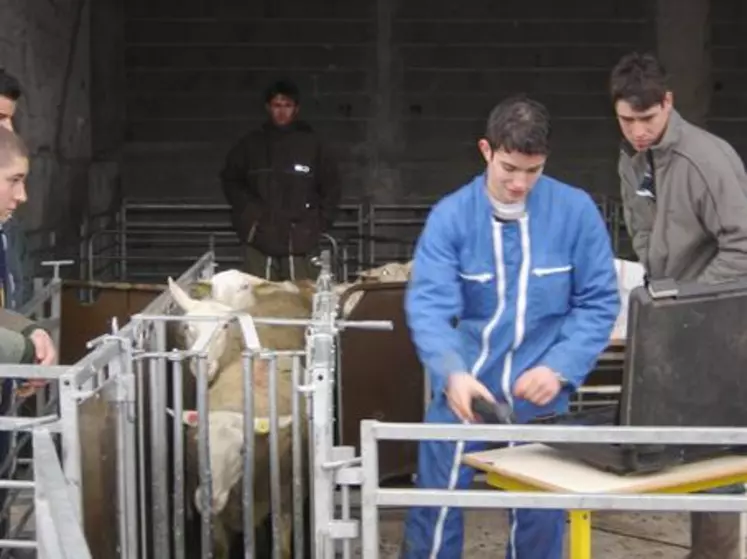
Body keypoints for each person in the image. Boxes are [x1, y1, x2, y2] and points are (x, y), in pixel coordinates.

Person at [400, 96, 620, 559]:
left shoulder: (575, 212)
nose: (520, 183)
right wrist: (451, 372)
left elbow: (599, 301)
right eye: (509, 169)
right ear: (486, 150)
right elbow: (429, 305)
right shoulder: (451, 217)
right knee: (435, 506)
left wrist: (561, 367)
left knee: (539, 513)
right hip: (466, 389)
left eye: (533, 170)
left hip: (538, 392)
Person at [611, 51, 747, 559]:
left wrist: (691, 303)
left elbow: (744, 246)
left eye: (647, 118)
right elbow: (642, 232)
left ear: (668, 103)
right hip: (673, 316)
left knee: (717, 449)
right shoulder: (631, 160)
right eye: (627, 119)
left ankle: (718, 554)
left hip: (720, 317)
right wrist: (658, 292)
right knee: (683, 442)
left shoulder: (706, 159)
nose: (638, 130)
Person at [219, 79, 341, 282]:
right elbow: (230, 180)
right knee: (258, 303)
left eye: (287, 105)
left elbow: (332, 187)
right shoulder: (250, 145)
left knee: (301, 303)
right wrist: (250, 217)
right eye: (277, 105)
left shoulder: (314, 145)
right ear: (268, 107)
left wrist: (317, 223)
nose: (282, 111)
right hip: (259, 241)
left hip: (301, 243)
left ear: (296, 109)